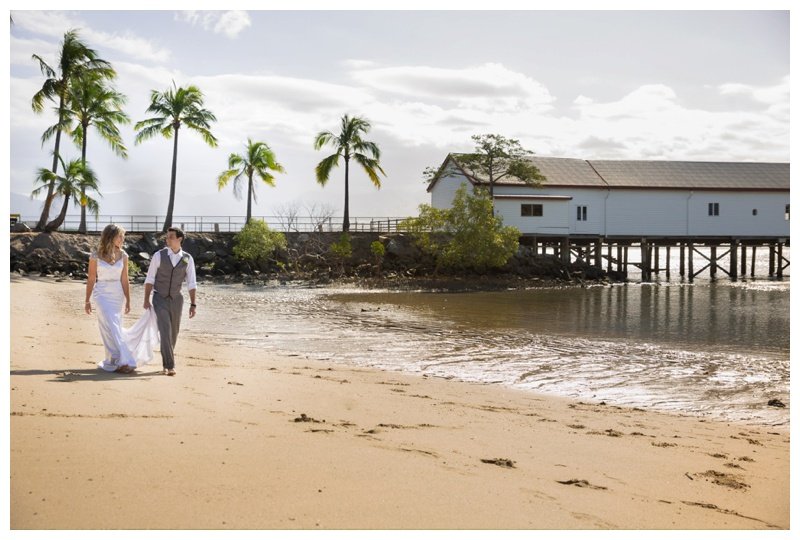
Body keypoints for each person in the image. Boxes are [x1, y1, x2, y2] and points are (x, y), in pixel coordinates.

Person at [85, 224, 159, 373]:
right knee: (110, 325)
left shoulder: (124, 255)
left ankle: (115, 359)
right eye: (120, 236)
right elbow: (91, 279)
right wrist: (87, 300)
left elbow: (125, 280)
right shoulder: (95, 255)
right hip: (101, 294)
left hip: (117, 294)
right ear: (111, 237)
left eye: (123, 236)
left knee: (113, 327)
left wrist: (128, 300)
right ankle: (123, 360)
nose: (122, 239)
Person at [143, 227, 197, 376]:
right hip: (159, 297)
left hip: (176, 300)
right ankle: (169, 365)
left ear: (179, 239)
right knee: (165, 330)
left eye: (171, 237)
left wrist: (193, 304)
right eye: (167, 237)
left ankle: (168, 358)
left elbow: (191, 283)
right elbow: (150, 279)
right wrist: (146, 299)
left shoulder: (187, 258)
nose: (167, 240)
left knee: (174, 332)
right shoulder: (158, 256)